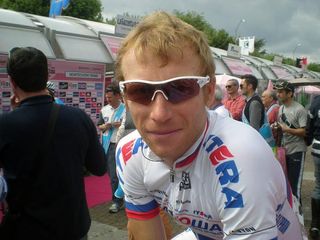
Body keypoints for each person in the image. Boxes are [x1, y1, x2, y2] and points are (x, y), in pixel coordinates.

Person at [114, 11, 303, 239]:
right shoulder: (129, 152)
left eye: (181, 88)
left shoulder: (242, 158)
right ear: (125, 96)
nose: (160, 114)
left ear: (209, 91)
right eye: (140, 91)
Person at [0, 47, 106, 240]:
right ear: (45, 75)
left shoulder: (5, 125)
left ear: (12, 82)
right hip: (74, 227)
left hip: (27, 230)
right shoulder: (79, 118)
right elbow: (99, 168)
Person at [274, 80, 308, 218]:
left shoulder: (299, 109)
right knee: (285, 185)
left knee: (295, 188)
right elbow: (282, 128)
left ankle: (299, 219)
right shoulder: (281, 108)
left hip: (297, 151)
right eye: (278, 91)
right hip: (284, 150)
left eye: (281, 91)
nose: (278, 94)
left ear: (290, 93)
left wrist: (286, 129)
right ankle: (290, 217)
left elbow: (303, 132)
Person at [97, 83, 125, 213]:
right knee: (112, 175)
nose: (108, 100)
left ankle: (120, 200)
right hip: (108, 146)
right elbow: (100, 126)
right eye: (107, 98)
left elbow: (128, 124)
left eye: (110, 98)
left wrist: (115, 124)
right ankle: (118, 200)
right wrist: (105, 126)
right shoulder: (104, 110)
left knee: (121, 175)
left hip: (122, 144)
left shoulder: (126, 109)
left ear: (118, 96)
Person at [305, 95, 320, 240]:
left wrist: (307, 141)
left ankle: (315, 225)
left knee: (318, 187)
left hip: (317, 148)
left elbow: (309, 126)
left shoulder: (316, 102)